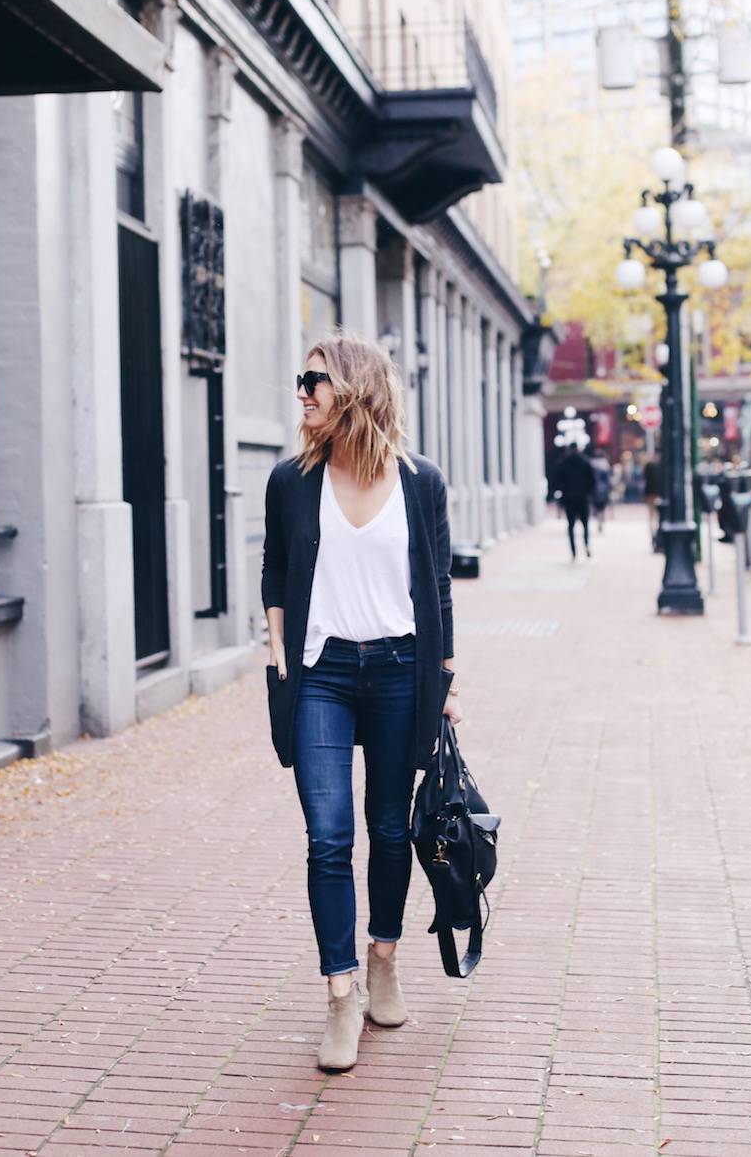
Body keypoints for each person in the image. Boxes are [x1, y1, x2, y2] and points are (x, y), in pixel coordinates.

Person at [261, 331, 460, 1075]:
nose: (303, 391)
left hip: (402, 670)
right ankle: (340, 993)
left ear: (354, 389)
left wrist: (446, 684)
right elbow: (275, 570)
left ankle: (383, 957)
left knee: (388, 825)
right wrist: (277, 645)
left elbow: (437, 589)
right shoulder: (290, 480)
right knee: (328, 833)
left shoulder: (420, 482)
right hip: (322, 673)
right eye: (301, 378)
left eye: (315, 379)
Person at [551, 442, 596, 559]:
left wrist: (562, 490)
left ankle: (573, 551)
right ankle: (586, 546)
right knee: (585, 524)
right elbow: (592, 481)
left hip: (569, 498)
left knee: (571, 525)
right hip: (582, 498)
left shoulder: (564, 463)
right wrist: (587, 491)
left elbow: (555, 480)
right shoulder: (585, 462)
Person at [589, 448, 613, 533]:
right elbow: (608, 478)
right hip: (603, 488)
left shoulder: (591, 463)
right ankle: (600, 520)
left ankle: (599, 520)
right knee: (602, 506)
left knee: (596, 506)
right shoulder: (605, 464)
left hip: (594, 489)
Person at [643, 454, 663, 548]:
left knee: (651, 516)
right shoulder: (660, 466)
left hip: (650, 493)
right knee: (657, 515)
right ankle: (655, 533)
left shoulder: (649, 466)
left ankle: (653, 534)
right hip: (658, 492)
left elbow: (644, 477)